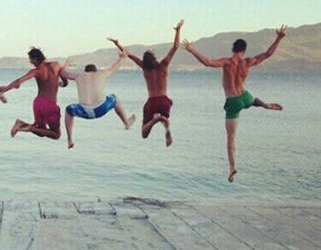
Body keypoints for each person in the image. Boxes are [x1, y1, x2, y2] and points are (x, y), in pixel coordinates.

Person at [183, 25, 287, 182]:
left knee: (231, 138)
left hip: (233, 102)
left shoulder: (227, 62)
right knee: (251, 101)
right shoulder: (248, 62)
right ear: (244, 50)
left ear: (233, 48)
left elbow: (208, 62)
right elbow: (267, 54)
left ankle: (232, 167)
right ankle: (264, 104)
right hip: (245, 96)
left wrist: (192, 50)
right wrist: (279, 38)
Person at [112, 19, 184, 147]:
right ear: (155, 58)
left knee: (144, 134)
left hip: (151, 101)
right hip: (163, 99)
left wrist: (118, 44)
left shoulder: (144, 68)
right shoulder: (164, 65)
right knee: (165, 119)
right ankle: (165, 127)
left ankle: (154, 121)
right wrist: (178, 31)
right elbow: (175, 47)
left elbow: (128, 55)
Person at [59, 44, 135, 149]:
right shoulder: (102, 74)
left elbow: (63, 73)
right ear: (96, 71)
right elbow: (115, 67)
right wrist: (122, 57)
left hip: (84, 111)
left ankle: (69, 139)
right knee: (114, 97)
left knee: (68, 110)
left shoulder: (78, 75)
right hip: (101, 109)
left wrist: (67, 63)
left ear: (85, 71)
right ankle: (126, 123)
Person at [3, 47, 66, 139]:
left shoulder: (36, 71)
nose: (30, 62)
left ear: (36, 58)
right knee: (56, 135)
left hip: (38, 103)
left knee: (41, 132)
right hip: (50, 105)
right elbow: (65, 80)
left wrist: (4, 90)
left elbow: (18, 81)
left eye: (31, 60)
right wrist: (63, 83)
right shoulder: (56, 65)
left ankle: (21, 123)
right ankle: (30, 128)